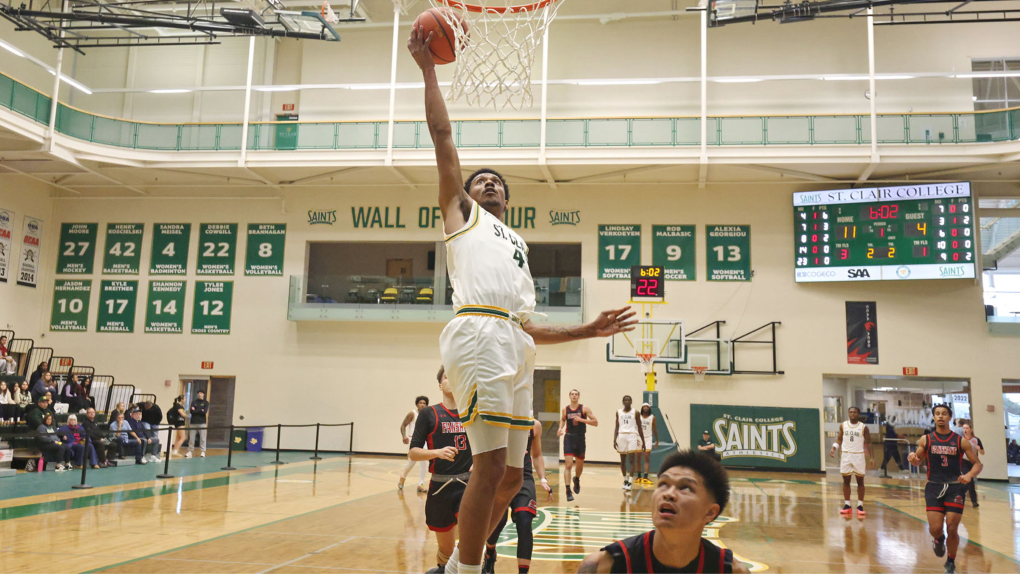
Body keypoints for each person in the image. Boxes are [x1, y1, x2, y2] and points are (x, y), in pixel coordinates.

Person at [407, 27, 638, 574]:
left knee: (513, 476)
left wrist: (588, 330)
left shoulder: (517, 244)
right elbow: (443, 138)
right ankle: (463, 571)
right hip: (478, 333)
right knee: (487, 465)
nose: (486, 183)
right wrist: (428, 70)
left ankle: (452, 566)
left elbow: (529, 325)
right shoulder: (462, 218)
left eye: (495, 182)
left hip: (514, 341)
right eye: (478, 179)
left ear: (508, 198)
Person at [576, 450, 751, 574]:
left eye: (686, 488)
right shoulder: (603, 566)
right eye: (663, 484)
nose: (668, 494)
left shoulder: (730, 570)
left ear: (710, 512)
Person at [410, 367, 472, 574]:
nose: (452, 380)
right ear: (440, 384)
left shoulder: (472, 412)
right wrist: (436, 452)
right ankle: (445, 569)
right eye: (447, 377)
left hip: (469, 484)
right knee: (445, 550)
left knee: (470, 545)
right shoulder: (429, 413)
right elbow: (414, 452)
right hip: (440, 486)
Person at [907, 405, 982, 574]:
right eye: (937, 414)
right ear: (933, 417)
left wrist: (969, 475)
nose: (940, 416)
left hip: (955, 488)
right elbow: (918, 460)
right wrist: (913, 459)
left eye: (944, 414)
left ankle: (950, 562)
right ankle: (939, 539)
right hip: (934, 486)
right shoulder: (926, 440)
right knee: (935, 528)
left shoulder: (960, 441)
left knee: (953, 527)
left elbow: (978, 464)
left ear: (950, 418)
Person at [482, 419, 553, 574]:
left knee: (525, 520)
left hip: (524, 478)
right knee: (496, 522)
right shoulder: (498, 419)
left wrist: (543, 479)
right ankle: (489, 553)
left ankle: (523, 572)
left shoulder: (535, 425)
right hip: (500, 477)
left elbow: (537, 454)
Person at [828, 406, 873, 516]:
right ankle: (847, 505)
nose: (852, 414)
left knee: (860, 481)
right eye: (850, 412)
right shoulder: (843, 425)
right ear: (848, 413)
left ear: (858, 414)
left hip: (858, 456)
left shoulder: (863, 427)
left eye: (855, 412)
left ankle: (860, 505)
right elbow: (839, 439)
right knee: (846, 481)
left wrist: (871, 457)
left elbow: (869, 443)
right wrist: (834, 448)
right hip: (846, 455)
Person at [558, 389, 597, 502]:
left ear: (579, 396)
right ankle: (567, 490)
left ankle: (577, 479)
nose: (574, 396)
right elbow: (563, 419)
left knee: (579, 466)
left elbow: (595, 422)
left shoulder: (584, 408)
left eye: (576, 394)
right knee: (568, 465)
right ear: (569, 396)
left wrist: (582, 420)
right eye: (572, 394)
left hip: (580, 439)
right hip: (569, 438)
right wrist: (560, 428)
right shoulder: (565, 409)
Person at [399, 395, 431, 492]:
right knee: (411, 463)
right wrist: (404, 436)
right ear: (417, 404)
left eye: (424, 403)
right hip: (414, 440)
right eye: (420, 403)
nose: (422, 405)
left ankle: (420, 484)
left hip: (424, 441)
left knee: (424, 463)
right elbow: (403, 425)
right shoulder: (412, 414)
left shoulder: (428, 414)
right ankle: (403, 477)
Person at [614, 396, 645, 491]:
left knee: (631, 459)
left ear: (631, 401)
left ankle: (630, 481)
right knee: (622, 460)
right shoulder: (618, 412)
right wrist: (614, 439)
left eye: (629, 400)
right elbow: (617, 426)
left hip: (632, 435)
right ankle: (625, 480)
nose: (627, 401)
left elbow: (639, 427)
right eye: (625, 400)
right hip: (621, 435)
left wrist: (643, 441)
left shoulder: (636, 412)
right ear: (623, 401)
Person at [960, 422, 984, 508]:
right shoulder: (961, 439)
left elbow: (983, 452)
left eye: (966, 428)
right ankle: (974, 501)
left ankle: (960, 496)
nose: (965, 430)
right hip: (963, 461)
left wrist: (979, 449)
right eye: (963, 428)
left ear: (971, 430)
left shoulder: (976, 440)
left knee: (967, 481)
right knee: (970, 480)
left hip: (973, 462)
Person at [638, 403, 658, 485]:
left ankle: (645, 477)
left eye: (647, 407)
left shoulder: (652, 417)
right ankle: (639, 476)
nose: (646, 408)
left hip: (648, 438)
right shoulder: (638, 417)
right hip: (639, 438)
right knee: (638, 458)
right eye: (644, 406)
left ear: (649, 408)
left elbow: (654, 429)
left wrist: (657, 440)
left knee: (646, 457)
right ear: (642, 408)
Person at [186, 390, 210, 457]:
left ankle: (203, 451)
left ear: (203, 394)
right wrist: (200, 410)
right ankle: (190, 451)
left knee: (202, 437)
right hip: (193, 422)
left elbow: (204, 412)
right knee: (191, 437)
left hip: (202, 422)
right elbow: (191, 411)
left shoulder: (206, 403)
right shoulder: (194, 402)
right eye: (198, 393)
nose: (200, 394)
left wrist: (196, 410)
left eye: (201, 393)